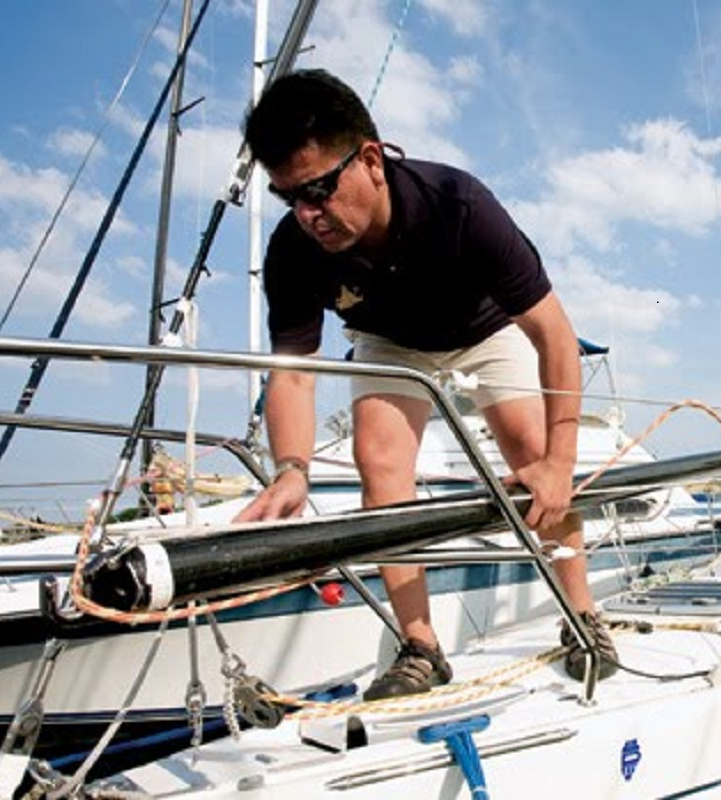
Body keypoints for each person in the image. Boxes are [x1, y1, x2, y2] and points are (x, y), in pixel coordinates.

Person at [236, 69, 617, 701]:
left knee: (531, 447)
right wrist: (291, 468)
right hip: (391, 342)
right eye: (289, 199)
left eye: (320, 191)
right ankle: (421, 644)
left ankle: (582, 615)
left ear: (371, 160)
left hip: (485, 328)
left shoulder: (458, 204)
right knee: (378, 458)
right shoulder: (293, 250)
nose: (309, 215)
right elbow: (295, 372)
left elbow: (553, 334)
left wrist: (560, 460)